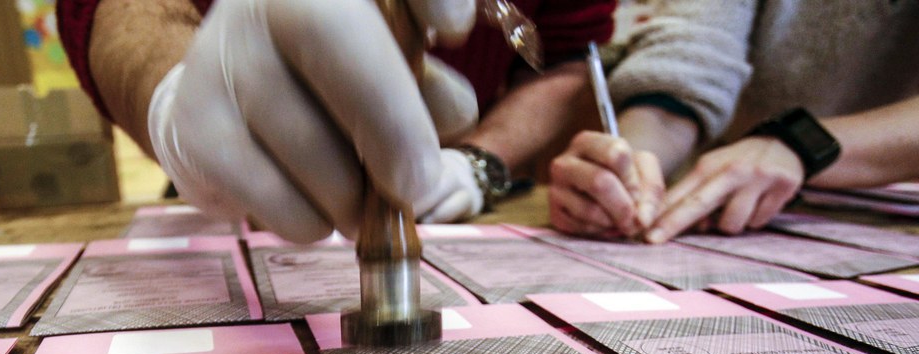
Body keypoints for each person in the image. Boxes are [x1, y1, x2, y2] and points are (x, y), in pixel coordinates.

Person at [57, 0, 616, 240]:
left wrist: (476, 163)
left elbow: (566, 53)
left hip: (454, 193)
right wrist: (174, 94)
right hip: (239, 174)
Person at [548, 0, 919, 243]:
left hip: (895, 232)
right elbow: (688, 60)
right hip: (741, 219)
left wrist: (800, 144)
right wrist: (627, 167)